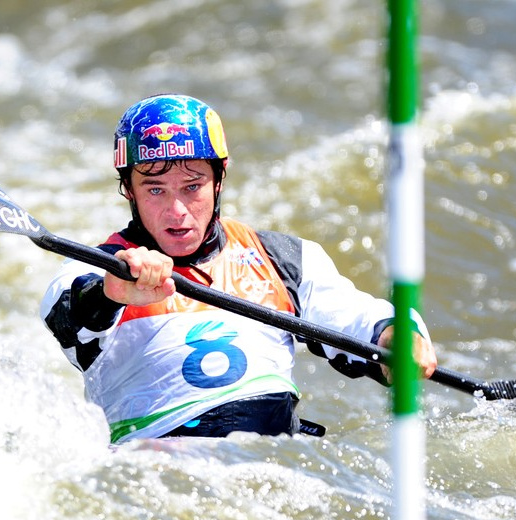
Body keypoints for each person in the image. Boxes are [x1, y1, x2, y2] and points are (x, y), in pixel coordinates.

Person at [40, 94, 437, 443]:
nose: (177, 212)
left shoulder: (283, 258)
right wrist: (113, 292)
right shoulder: (97, 267)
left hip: (273, 459)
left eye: (192, 187)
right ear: (128, 189)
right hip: (160, 468)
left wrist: (396, 334)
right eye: (155, 190)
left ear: (219, 180)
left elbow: (356, 317)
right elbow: (68, 319)